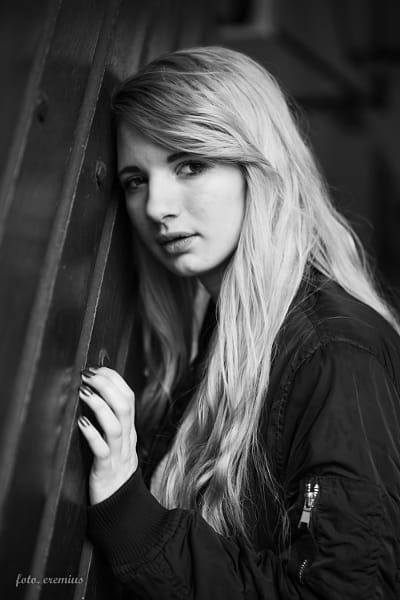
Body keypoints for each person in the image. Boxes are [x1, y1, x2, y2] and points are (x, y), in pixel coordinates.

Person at [77, 46, 400, 599]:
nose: (156, 207)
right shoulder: (230, 329)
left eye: (190, 165)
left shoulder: (335, 353)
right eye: (135, 179)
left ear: (259, 167)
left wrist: (128, 511)